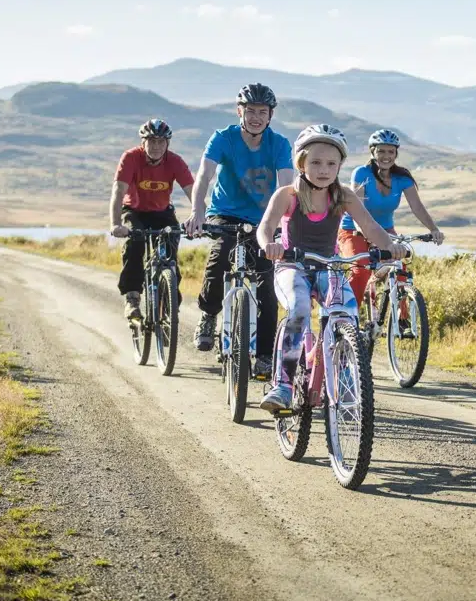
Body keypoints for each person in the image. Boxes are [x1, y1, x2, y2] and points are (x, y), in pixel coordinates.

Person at [256, 125, 408, 411]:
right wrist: (269, 244)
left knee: (347, 313)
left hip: (329, 266)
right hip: (292, 266)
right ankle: (283, 386)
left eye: (331, 163)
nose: (323, 170)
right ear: (301, 163)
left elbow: (371, 227)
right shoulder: (287, 195)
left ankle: (345, 376)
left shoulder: (344, 195)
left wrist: (390, 247)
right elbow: (265, 227)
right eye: (315, 162)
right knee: (299, 308)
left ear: (339, 166)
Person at [183, 83, 294, 376]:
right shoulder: (222, 138)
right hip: (225, 212)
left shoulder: (280, 144)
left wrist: (284, 224)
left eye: (262, 112)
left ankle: (265, 354)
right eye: (250, 111)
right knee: (221, 256)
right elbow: (204, 176)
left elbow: (286, 185)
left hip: (264, 219)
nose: (256, 117)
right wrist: (197, 211)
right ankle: (208, 315)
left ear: (270, 115)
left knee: (268, 282)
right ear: (239, 112)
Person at [337, 128, 445, 317]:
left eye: (390, 151)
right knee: (361, 268)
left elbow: (417, 207)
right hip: (354, 230)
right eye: (381, 151)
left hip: (385, 230)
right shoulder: (361, 173)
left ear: (396, 153)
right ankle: (347, 317)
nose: (386, 156)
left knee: (399, 269)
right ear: (373, 152)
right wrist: (368, 236)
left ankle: (402, 320)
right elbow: (357, 211)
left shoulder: (402, 178)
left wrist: (433, 229)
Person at [110, 119, 194, 319]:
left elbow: (193, 192)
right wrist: (115, 224)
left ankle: (169, 298)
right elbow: (118, 191)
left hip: (162, 212)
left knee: (171, 247)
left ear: (167, 144)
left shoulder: (175, 161)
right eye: (151, 141)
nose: (156, 146)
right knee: (135, 243)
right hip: (134, 211)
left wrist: (198, 217)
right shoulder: (130, 158)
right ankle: (132, 297)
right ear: (143, 142)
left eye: (161, 142)